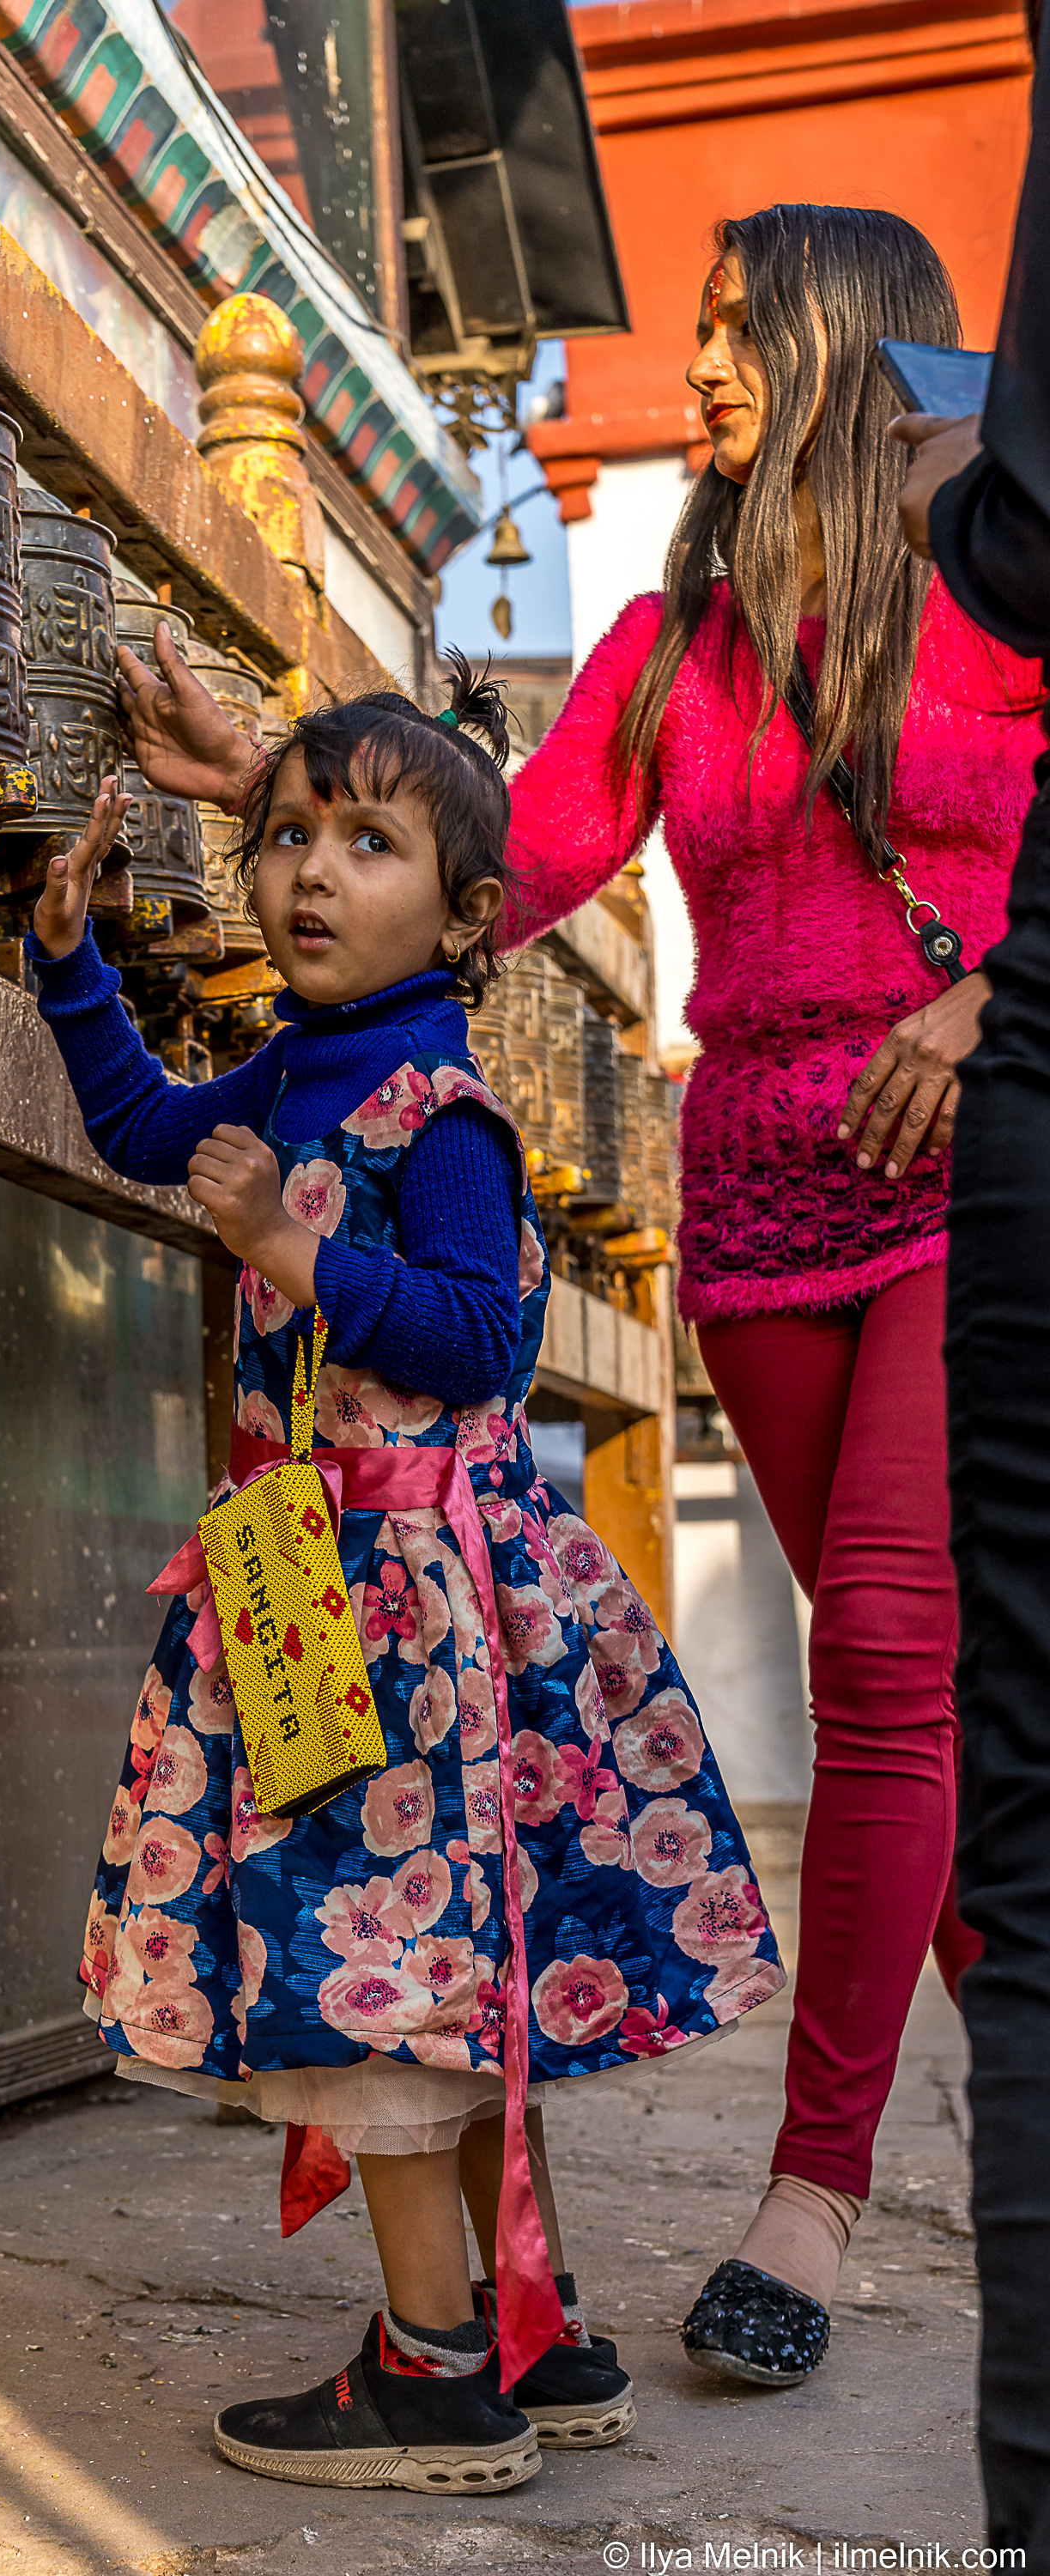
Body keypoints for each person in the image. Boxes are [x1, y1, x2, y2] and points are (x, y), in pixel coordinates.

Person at [24, 665, 786, 2495]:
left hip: (401, 1616)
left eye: (365, 840)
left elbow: (472, 1331)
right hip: (318, 1589)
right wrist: (72, 972)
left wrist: (290, 1253)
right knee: (432, 1972)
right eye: (287, 831)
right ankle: (534, 2330)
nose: (305, 871)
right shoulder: (299, 1061)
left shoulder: (439, 1111)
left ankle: (436, 2367)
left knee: (378, 1977)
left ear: (458, 915)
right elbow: (156, 1137)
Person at [465, 203, 1041, 2390]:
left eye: (729, 325)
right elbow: (525, 854)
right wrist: (303, 806)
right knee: (950, 1736)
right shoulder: (675, 642)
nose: (695, 361)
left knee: (886, 1658)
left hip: (974, 1183)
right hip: (759, 1227)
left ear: (846, 342)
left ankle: (809, 2195)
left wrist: (988, 1003)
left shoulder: (1005, 602)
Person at [893, 22, 1050, 2556]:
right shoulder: (702, 619)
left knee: (992, 1774)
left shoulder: (951, 576)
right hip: (803, 1202)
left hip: (1008, 1096)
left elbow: (1035, 532)